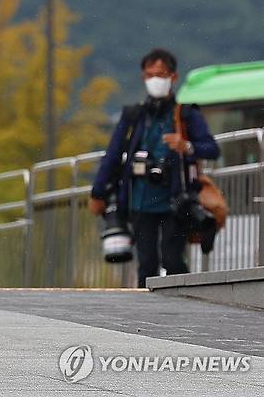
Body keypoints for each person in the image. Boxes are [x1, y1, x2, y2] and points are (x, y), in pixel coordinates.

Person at [90, 48, 220, 288]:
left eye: (160, 74)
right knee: (147, 264)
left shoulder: (186, 114)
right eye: (149, 75)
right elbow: (112, 155)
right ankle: (144, 316)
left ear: (173, 77)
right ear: (143, 78)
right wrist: (97, 192)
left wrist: (186, 146)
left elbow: (212, 149)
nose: (155, 80)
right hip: (140, 201)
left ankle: (183, 303)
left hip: (176, 201)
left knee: (173, 260)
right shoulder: (134, 116)